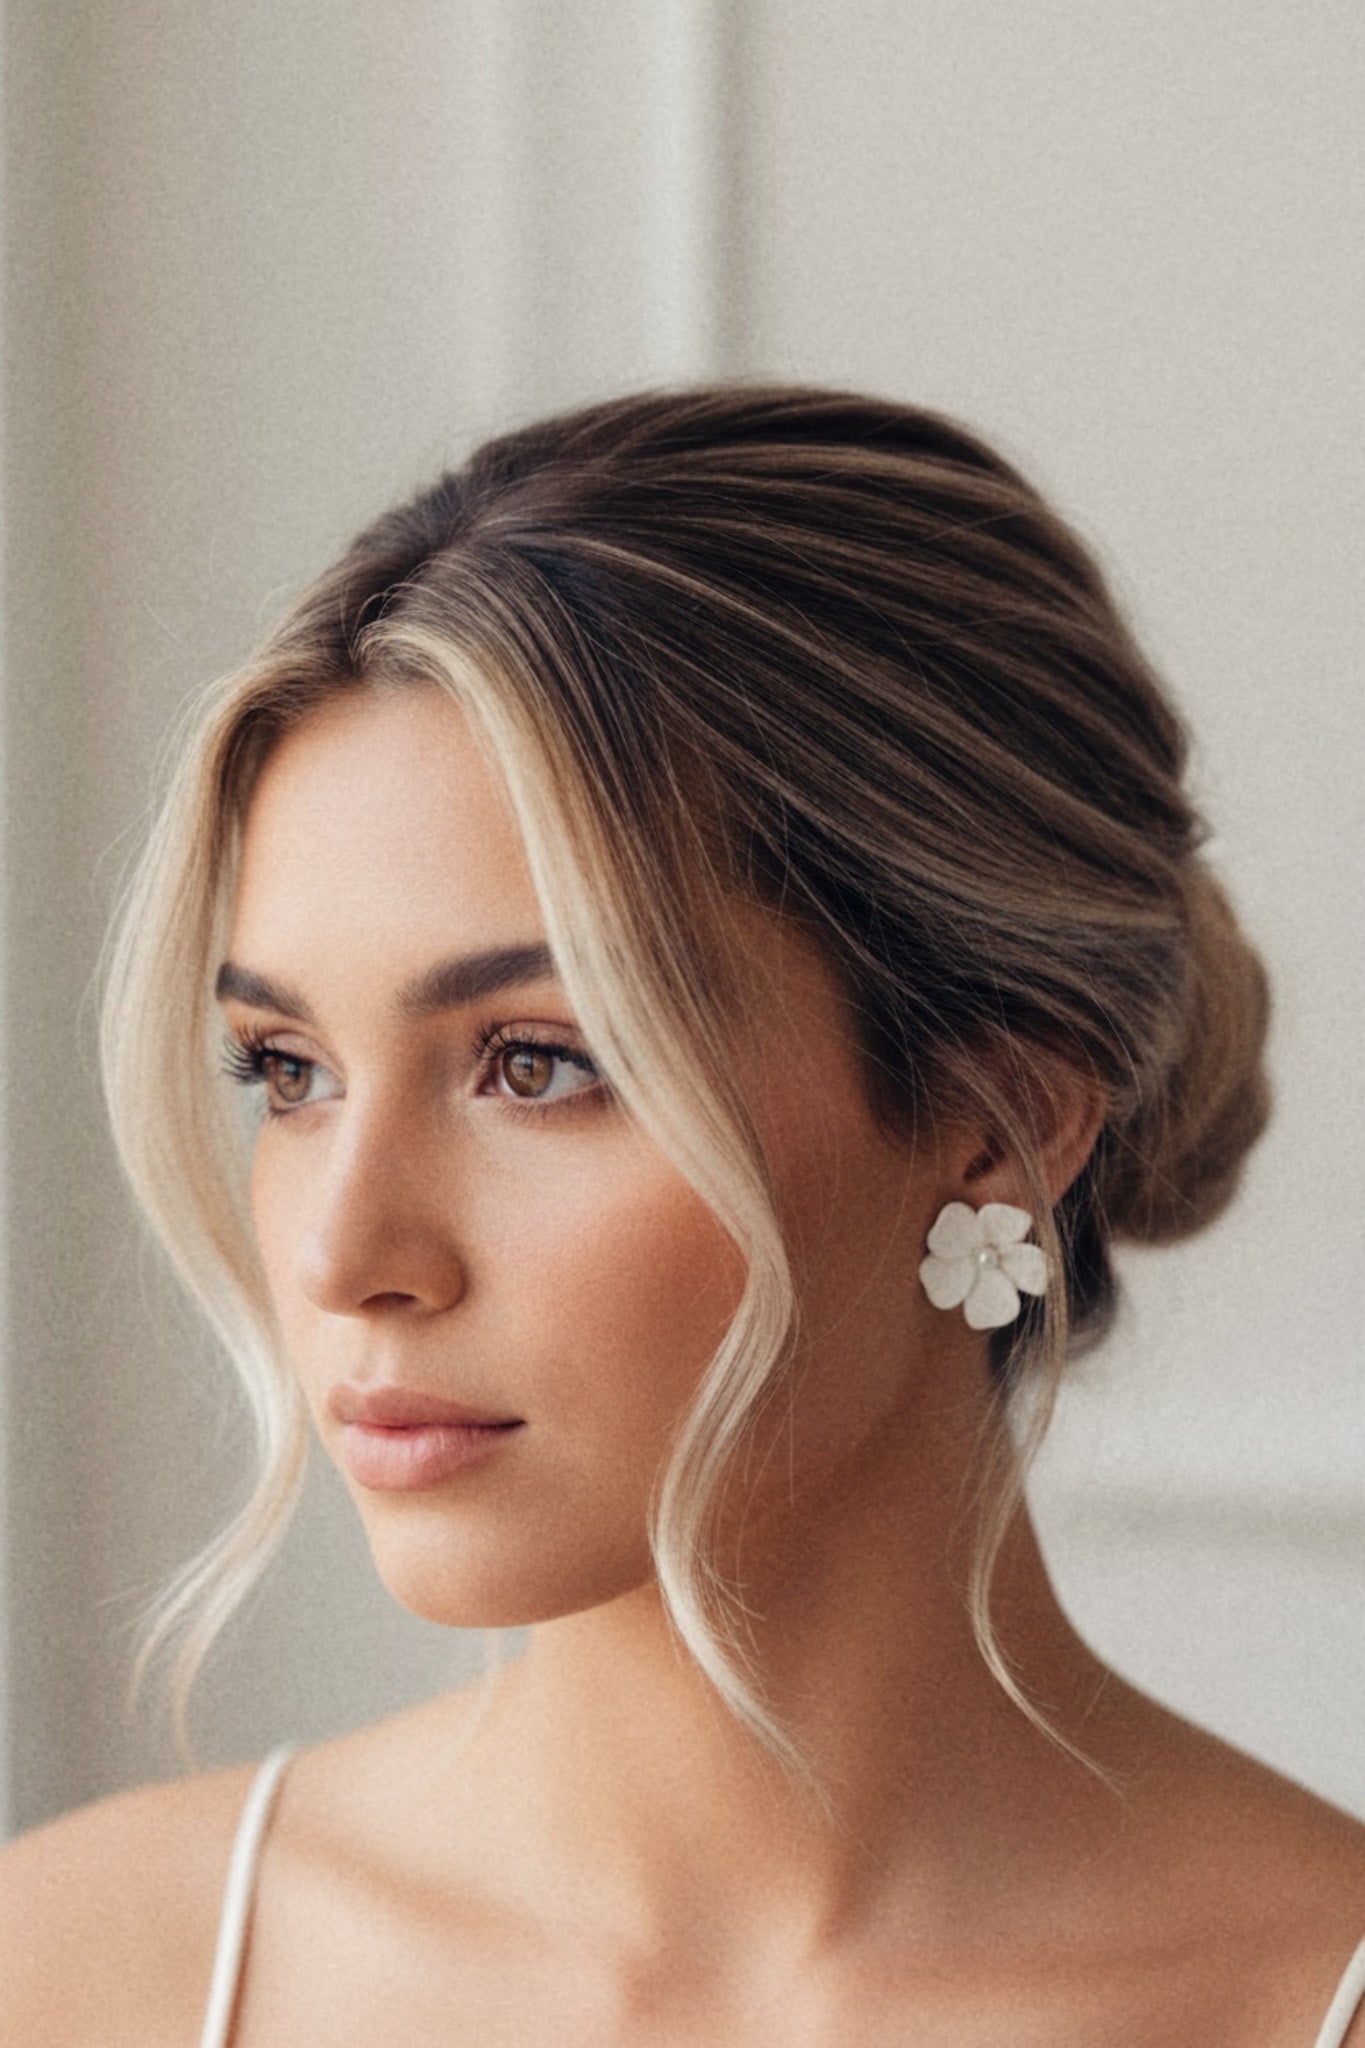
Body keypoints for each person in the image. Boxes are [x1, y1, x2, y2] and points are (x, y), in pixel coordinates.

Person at [1, 383, 1362, 2046]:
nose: (343, 1257)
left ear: (999, 1124)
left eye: (534, 1062)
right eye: (285, 1070)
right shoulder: (72, 1976)